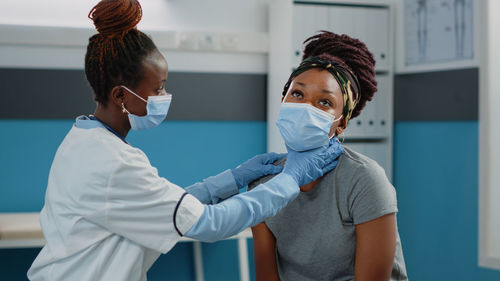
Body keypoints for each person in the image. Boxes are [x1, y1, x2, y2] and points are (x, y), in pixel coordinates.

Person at [26, 2, 345, 281]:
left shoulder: (84, 139)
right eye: (159, 89)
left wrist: (231, 181)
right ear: (121, 95)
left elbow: (162, 207)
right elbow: (210, 224)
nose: (165, 97)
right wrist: (290, 180)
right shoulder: (113, 163)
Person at [250, 31, 408, 281]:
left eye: (324, 102)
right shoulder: (262, 181)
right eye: (298, 94)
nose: (305, 108)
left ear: (341, 121)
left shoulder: (364, 180)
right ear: (283, 99)